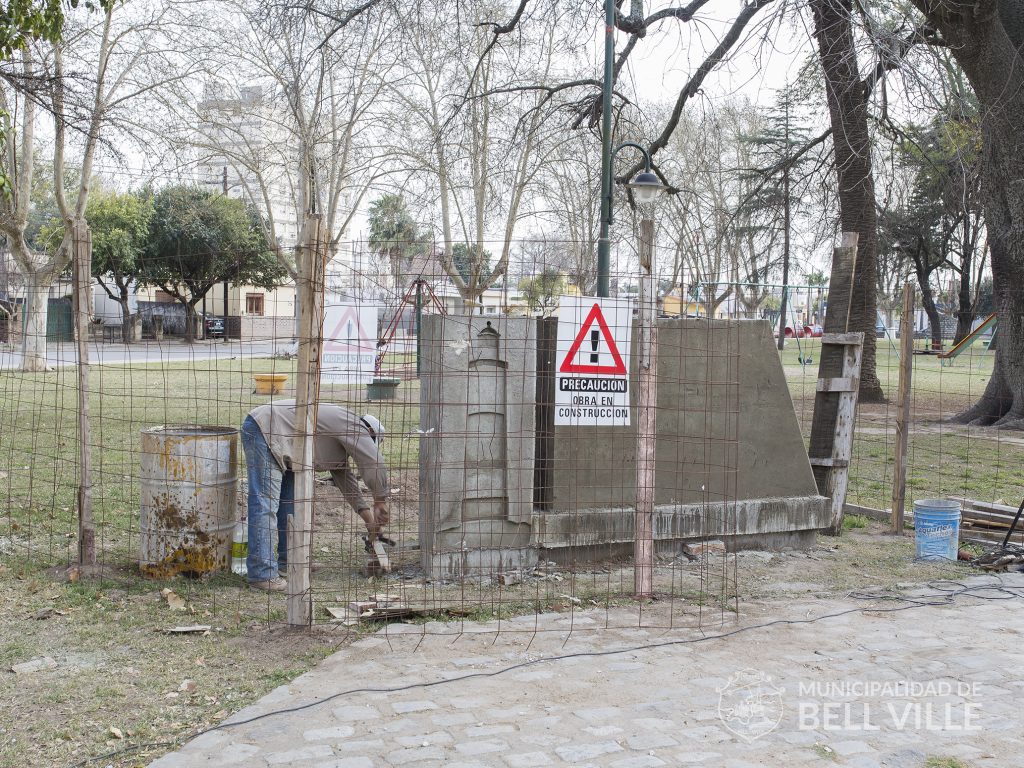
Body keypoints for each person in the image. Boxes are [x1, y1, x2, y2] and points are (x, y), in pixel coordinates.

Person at [241, 401, 389, 591]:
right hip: (266, 428)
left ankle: (290, 562)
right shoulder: (354, 426)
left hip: (287, 439)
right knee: (265, 504)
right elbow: (373, 461)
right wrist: (380, 500)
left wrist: (368, 520)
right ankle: (262, 575)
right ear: (369, 433)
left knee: (291, 504)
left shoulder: (337, 436)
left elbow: (346, 481)